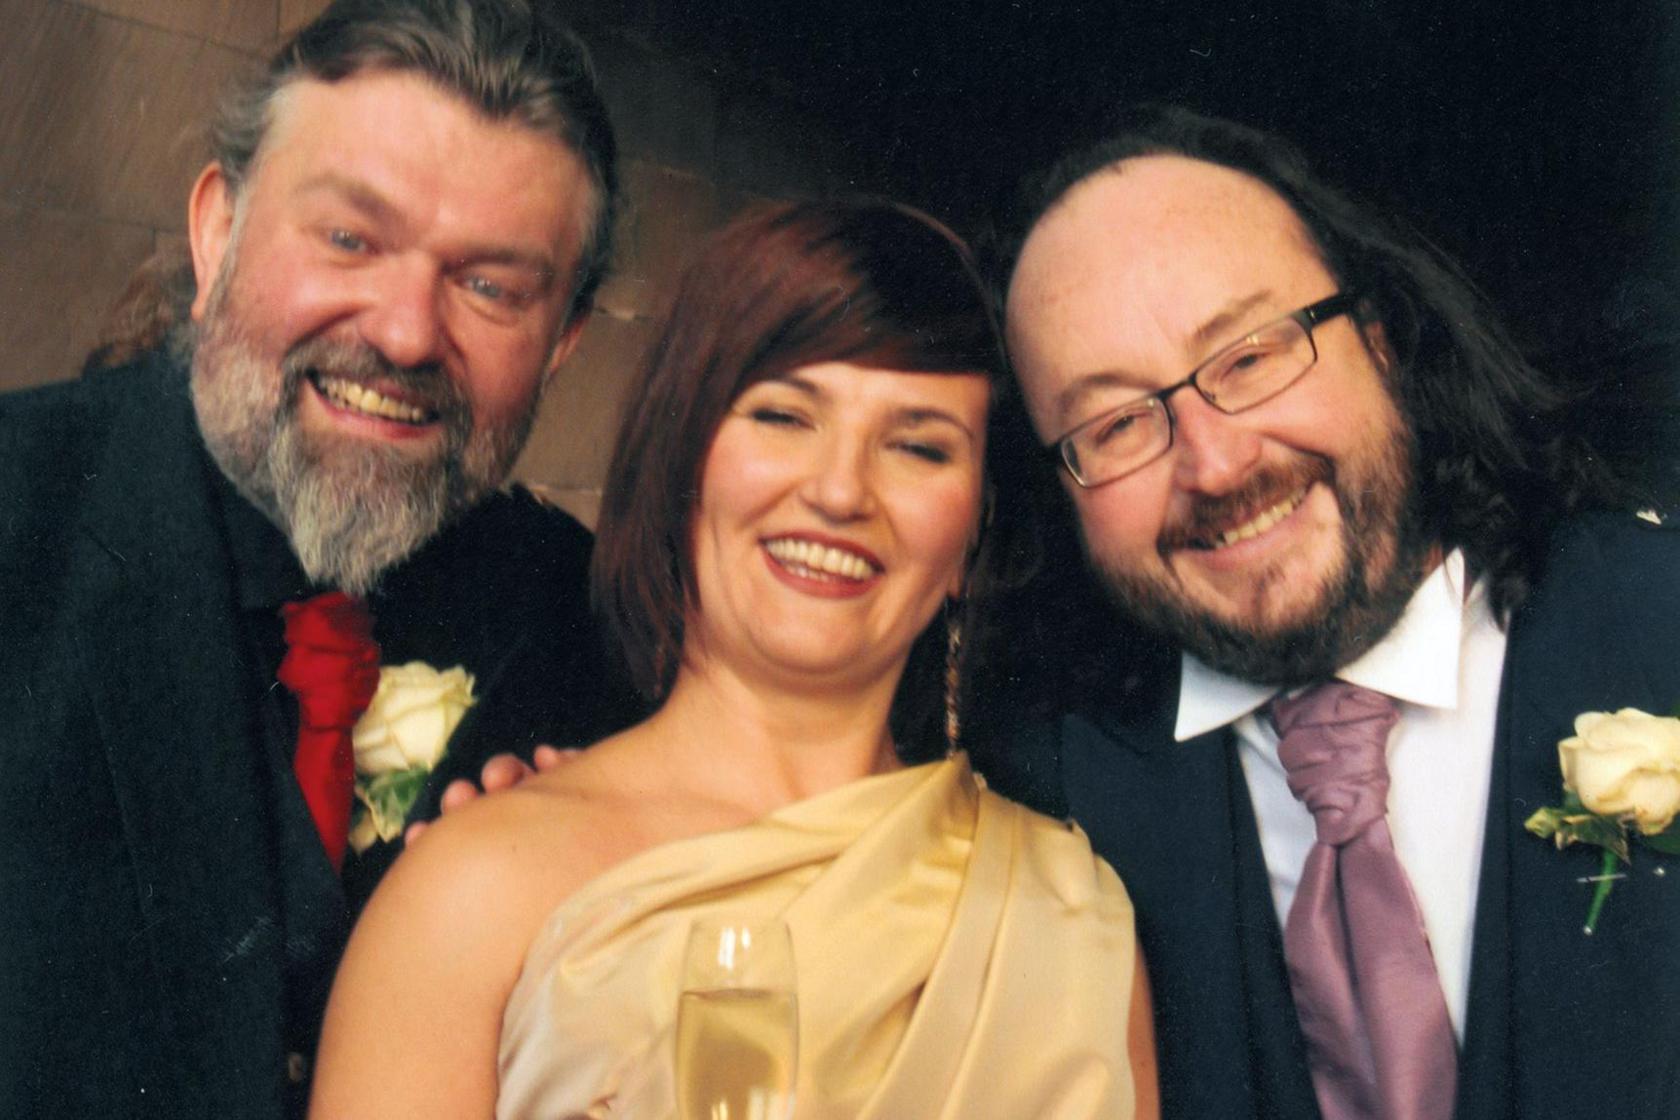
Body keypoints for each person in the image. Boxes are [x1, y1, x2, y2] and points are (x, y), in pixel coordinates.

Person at [309, 199, 1158, 1119]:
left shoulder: (1070, 912)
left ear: (972, 537)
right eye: (785, 417)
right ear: (684, 463)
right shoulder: (473, 888)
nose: (839, 491)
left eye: (917, 446)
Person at [0, 2, 634, 1116]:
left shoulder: (588, 623)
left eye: (491, 286)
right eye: (349, 238)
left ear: (564, 342)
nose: (402, 333)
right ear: (216, 232)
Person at [990, 105, 1680, 1119]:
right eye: (1117, 422)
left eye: (1252, 355)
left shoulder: (1658, 622)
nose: (1216, 464)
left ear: (1383, 340)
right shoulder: (1041, 799)